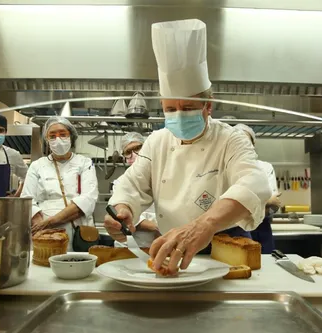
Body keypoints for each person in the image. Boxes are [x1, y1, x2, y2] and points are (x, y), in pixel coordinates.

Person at [104, 19, 271, 273]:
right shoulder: (157, 141)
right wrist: (123, 208)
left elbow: (255, 183)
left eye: (188, 108)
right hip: (173, 247)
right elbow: (132, 184)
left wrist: (204, 225)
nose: (179, 116)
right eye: (170, 109)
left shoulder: (230, 139)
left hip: (225, 247)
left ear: (208, 106)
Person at [21, 116, 99, 250]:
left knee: (77, 267)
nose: (58, 139)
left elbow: (88, 199)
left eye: (63, 134)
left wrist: (49, 222)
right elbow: (27, 199)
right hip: (44, 235)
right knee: (43, 267)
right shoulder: (37, 166)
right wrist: (42, 230)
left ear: (71, 137)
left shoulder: (85, 163)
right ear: (47, 139)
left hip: (78, 232)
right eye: (52, 135)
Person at [234, 124, 280, 253]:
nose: (241, 144)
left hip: (261, 227)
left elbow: (274, 203)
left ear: (252, 145)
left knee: (265, 266)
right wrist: (265, 201)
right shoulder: (223, 167)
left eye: (245, 140)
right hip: (233, 227)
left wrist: (244, 202)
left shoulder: (265, 167)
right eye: (237, 140)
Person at [112, 132, 159, 247]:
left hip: (162, 243)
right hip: (131, 245)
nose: (134, 154)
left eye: (138, 148)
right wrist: (159, 227)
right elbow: (126, 216)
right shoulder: (120, 182)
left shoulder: (161, 177)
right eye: (128, 152)